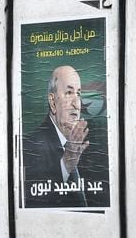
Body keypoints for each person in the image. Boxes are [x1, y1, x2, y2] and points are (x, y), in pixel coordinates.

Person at [22, 65, 89, 208]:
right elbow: (34, 203)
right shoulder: (30, 146)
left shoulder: (85, 144)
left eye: (78, 93)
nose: (77, 104)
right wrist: (65, 165)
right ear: (53, 102)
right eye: (69, 93)